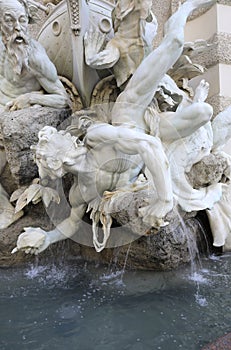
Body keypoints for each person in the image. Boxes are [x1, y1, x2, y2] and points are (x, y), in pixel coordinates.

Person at [11, 0, 217, 254]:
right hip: (156, 132)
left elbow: (148, 144)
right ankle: (191, 106)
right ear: (57, 164)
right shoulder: (79, 192)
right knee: (204, 113)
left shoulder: (96, 138)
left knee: (173, 45)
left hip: (130, 111)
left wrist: (164, 199)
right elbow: (72, 222)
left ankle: (187, 7)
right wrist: (47, 238)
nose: (63, 137)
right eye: (48, 150)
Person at [0, 0, 70, 229]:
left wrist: (31, 98)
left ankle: (7, 211)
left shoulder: (35, 56)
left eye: (22, 20)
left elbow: (63, 98)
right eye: (9, 20)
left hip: (13, 112)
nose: (17, 28)